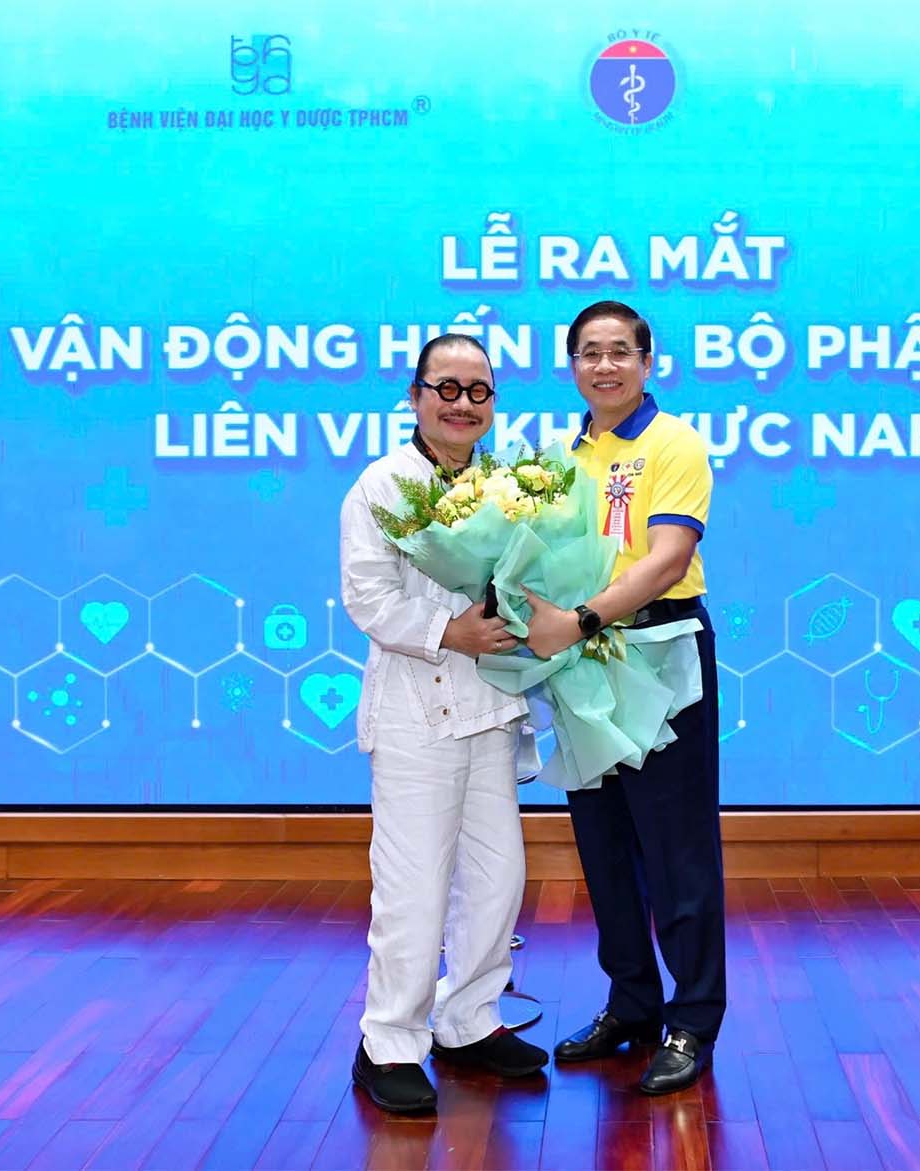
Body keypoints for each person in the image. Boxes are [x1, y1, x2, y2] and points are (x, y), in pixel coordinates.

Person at [338, 333, 547, 1114]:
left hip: (490, 704)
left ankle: (469, 1019)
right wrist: (450, 630)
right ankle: (389, 1042)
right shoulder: (382, 484)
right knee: (414, 887)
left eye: (478, 391)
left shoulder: (507, 487)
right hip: (415, 711)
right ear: (416, 395)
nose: (463, 404)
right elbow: (368, 596)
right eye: (447, 388)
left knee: (498, 878)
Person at [521, 300, 725, 1095]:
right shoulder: (560, 456)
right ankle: (633, 1002)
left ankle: (692, 1018)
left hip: (659, 648)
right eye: (589, 352)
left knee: (677, 851)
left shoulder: (674, 442)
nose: (604, 365)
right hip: (584, 661)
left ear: (646, 362)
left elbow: (668, 559)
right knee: (604, 846)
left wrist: (579, 619)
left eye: (619, 351)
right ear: (572, 364)